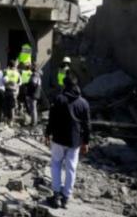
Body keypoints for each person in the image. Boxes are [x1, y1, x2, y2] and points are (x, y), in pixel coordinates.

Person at [45, 75, 91, 209]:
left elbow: (52, 119)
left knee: (56, 164)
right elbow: (87, 125)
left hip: (58, 139)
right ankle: (66, 197)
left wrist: (47, 134)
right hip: (74, 141)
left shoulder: (58, 99)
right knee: (71, 168)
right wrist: (86, 142)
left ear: (65, 85)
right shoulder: (83, 103)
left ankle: (56, 195)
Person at [3, 60, 20, 126]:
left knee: (5, 106)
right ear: (14, 65)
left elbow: (3, 80)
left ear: (9, 65)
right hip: (14, 92)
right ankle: (11, 122)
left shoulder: (6, 71)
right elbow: (20, 83)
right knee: (12, 107)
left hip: (6, 90)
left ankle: (5, 121)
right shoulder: (17, 73)